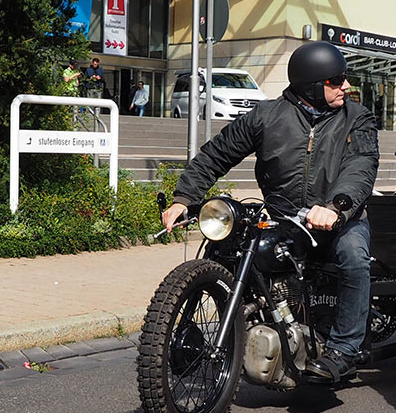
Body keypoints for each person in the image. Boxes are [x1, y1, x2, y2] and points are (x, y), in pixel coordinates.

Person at [161, 41, 379, 385]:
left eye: (344, 79)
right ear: (312, 86)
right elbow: (217, 154)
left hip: (339, 218)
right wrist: (184, 197)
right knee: (232, 248)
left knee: (353, 256)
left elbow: (361, 168)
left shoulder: (357, 119)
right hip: (284, 217)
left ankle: (344, 349)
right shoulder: (267, 116)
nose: (346, 86)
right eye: (336, 81)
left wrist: (336, 206)